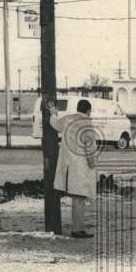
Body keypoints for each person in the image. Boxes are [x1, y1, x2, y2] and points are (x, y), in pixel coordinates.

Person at [47, 99, 96, 238]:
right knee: (79, 198)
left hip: (68, 166)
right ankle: (77, 229)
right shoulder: (88, 125)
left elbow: (54, 123)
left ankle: (77, 228)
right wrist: (92, 164)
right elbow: (90, 148)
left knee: (76, 198)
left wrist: (53, 112)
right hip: (81, 166)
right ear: (88, 111)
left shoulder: (68, 120)